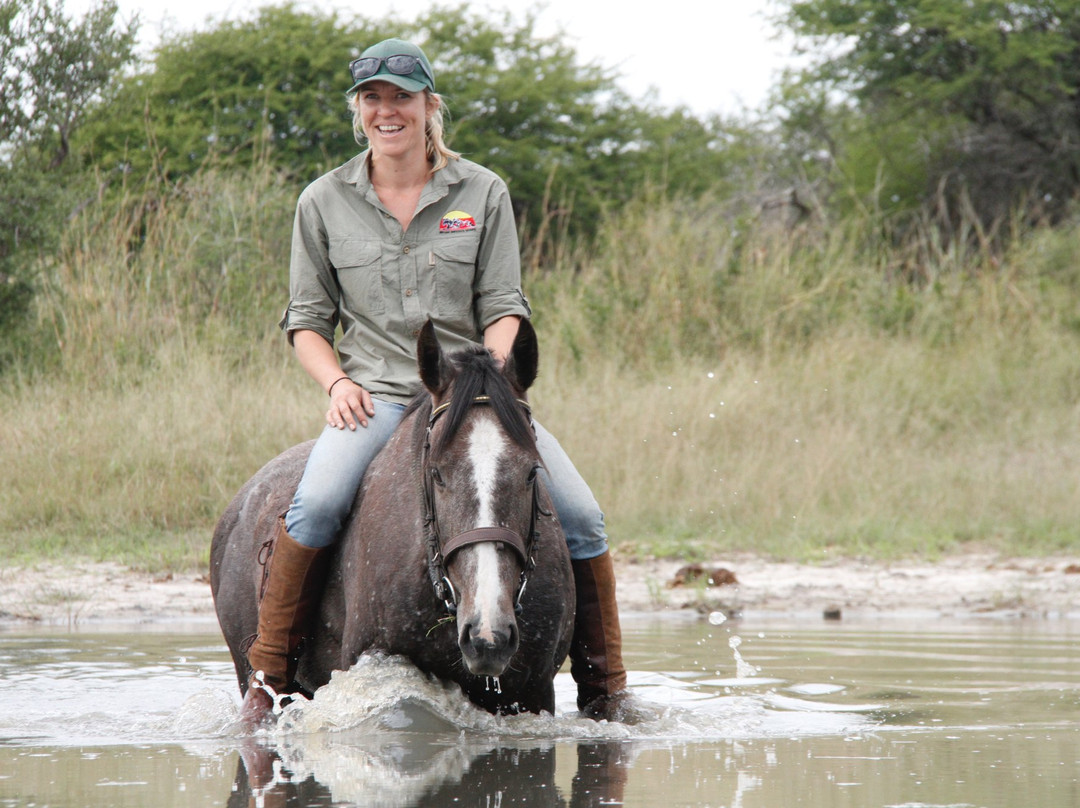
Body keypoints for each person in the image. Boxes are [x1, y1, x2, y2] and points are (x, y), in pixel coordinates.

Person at [240, 38, 627, 725]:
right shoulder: (322, 201)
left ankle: (606, 691)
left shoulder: (481, 191)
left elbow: (504, 305)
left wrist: (495, 380)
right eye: (373, 99)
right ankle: (266, 680)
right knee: (316, 505)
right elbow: (306, 323)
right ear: (360, 111)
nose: (387, 111)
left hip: (475, 397)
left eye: (401, 98)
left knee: (583, 517)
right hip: (380, 398)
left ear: (428, 107)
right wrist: (335, 385)